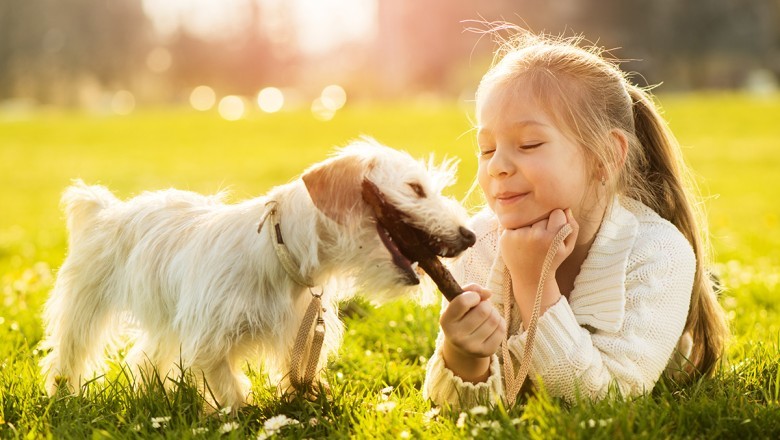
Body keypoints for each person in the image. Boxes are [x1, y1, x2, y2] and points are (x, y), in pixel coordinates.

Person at [423, 28, 729, 408]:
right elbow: (458, 409)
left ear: (605, 156)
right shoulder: (479, 243)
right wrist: (464, 355)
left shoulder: (658, 253)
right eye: (486, 149)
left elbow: (606, 401)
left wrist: (536, 285)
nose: (498, 166)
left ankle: (705, 288)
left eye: (529, 144)